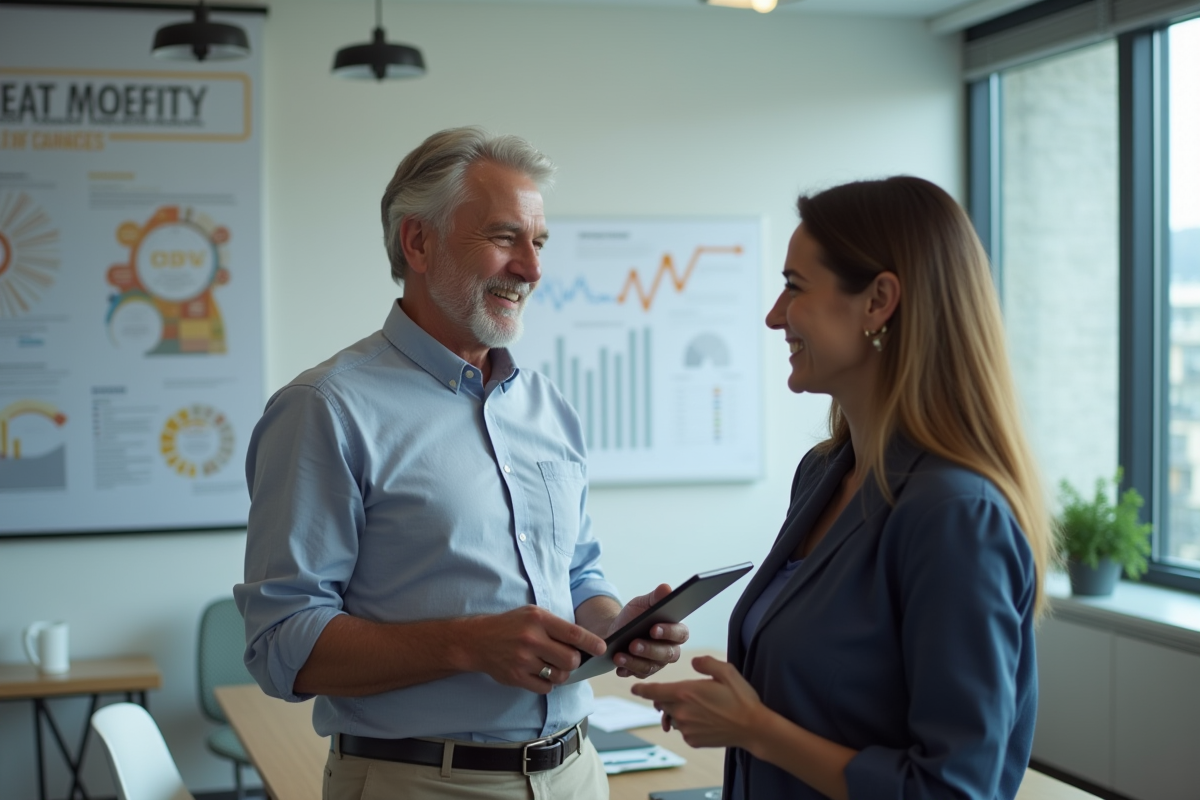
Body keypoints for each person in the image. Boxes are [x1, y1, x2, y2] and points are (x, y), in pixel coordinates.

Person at [234, 127, 687, 800]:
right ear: (418, 242)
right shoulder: (323, 408)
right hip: (420, 783)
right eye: (505, 238)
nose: (532, 270)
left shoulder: (546, 406)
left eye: (539, 243)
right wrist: (466, 643)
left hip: (578, 773)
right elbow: (281, 645)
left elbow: (578, 571)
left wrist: (611, 626)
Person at [633, 176, 1055, 800]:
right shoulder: (823, 473)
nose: (774, 315)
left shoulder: (954, 513)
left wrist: (755, 730)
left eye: (795, 288)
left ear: (878, 301)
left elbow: (953, 790)